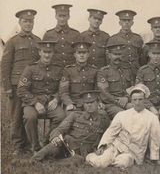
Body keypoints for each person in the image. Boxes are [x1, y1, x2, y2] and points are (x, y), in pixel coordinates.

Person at [86, 85, 160, 168]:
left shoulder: (152, 118)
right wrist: (102, 146)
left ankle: (108, 161)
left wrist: (155, 158)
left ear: (144, 100)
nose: (137, 102)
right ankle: (91, 157)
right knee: (101, 163)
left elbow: (155, 139)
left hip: (133, 153)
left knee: (122, 163)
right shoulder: (122, 115)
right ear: (131, 101)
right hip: (116, 146)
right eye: (135, 100)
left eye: (140, 99)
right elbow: (111, 132)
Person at [1, 9, 41, 154]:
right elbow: (5, 65)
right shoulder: (13, 41)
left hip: (33, 85)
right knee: (16, 116)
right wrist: (7, 87)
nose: (28, 24)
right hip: (16, 84)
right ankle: (18, 146)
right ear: (20, 22)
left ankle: (31, 144)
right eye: (25, 21)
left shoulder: (38, 41)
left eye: (31, 21)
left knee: (29, 114)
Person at [32, 91, 110, 162]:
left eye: (92, 102)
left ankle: (51, 162)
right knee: (50, 148)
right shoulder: (75, 115)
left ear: (98, 103)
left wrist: (101, 147)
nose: (89, 105)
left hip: (82, 152)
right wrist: (55, 138)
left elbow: (108, 136)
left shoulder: (103, 119)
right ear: (83, 104)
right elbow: (59, 129)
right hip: (66, 145)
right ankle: (32, 161)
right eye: (86, 103)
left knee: (77, 160)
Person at [17, 40, 66, 153]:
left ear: (53, 53)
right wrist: (35, 102)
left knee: (61, 116)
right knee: (30, 117)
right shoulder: (30, 68)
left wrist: (56, 99)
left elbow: (62, 88)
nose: (47, 55)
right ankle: (35, 147)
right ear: (40, 52)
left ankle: (48, 142)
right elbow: (21, 89)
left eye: (50, 52)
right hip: (33, 103)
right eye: (44, 52)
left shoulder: (59, 68)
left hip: (50, 103)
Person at [97, 42, 135, 118]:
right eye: (115, 54)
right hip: (110, 104)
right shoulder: (103, 72)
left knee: (138, 110)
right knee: (123, 115)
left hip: (126, 101)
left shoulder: (127, 70)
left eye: (120, 54)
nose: (118, 57)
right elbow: (104, 93)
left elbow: (133, 88)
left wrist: (126, 98)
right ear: (109, 55)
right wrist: (118, 101)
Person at [59, 41, 98, 111]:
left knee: (102, 115)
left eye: (84, 53)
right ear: (74, 55)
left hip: (90, 104)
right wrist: (69, 103)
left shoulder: (94, 70)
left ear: (88, 54)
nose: (82, 55)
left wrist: (99, 102)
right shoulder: (68, 70)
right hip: (74, 104)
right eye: (79, 53)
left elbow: (97, 91)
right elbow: (64, 92)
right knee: (70, 117)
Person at [107, 10, 144, 74]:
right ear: (120, 22)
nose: (126, 23)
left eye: (129, 20)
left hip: (136, 72)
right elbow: (108, 60)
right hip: (120, 73)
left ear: (132, 22)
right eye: (124, 20)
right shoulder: (113, 39)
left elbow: (141, 56)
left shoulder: (138, 38)